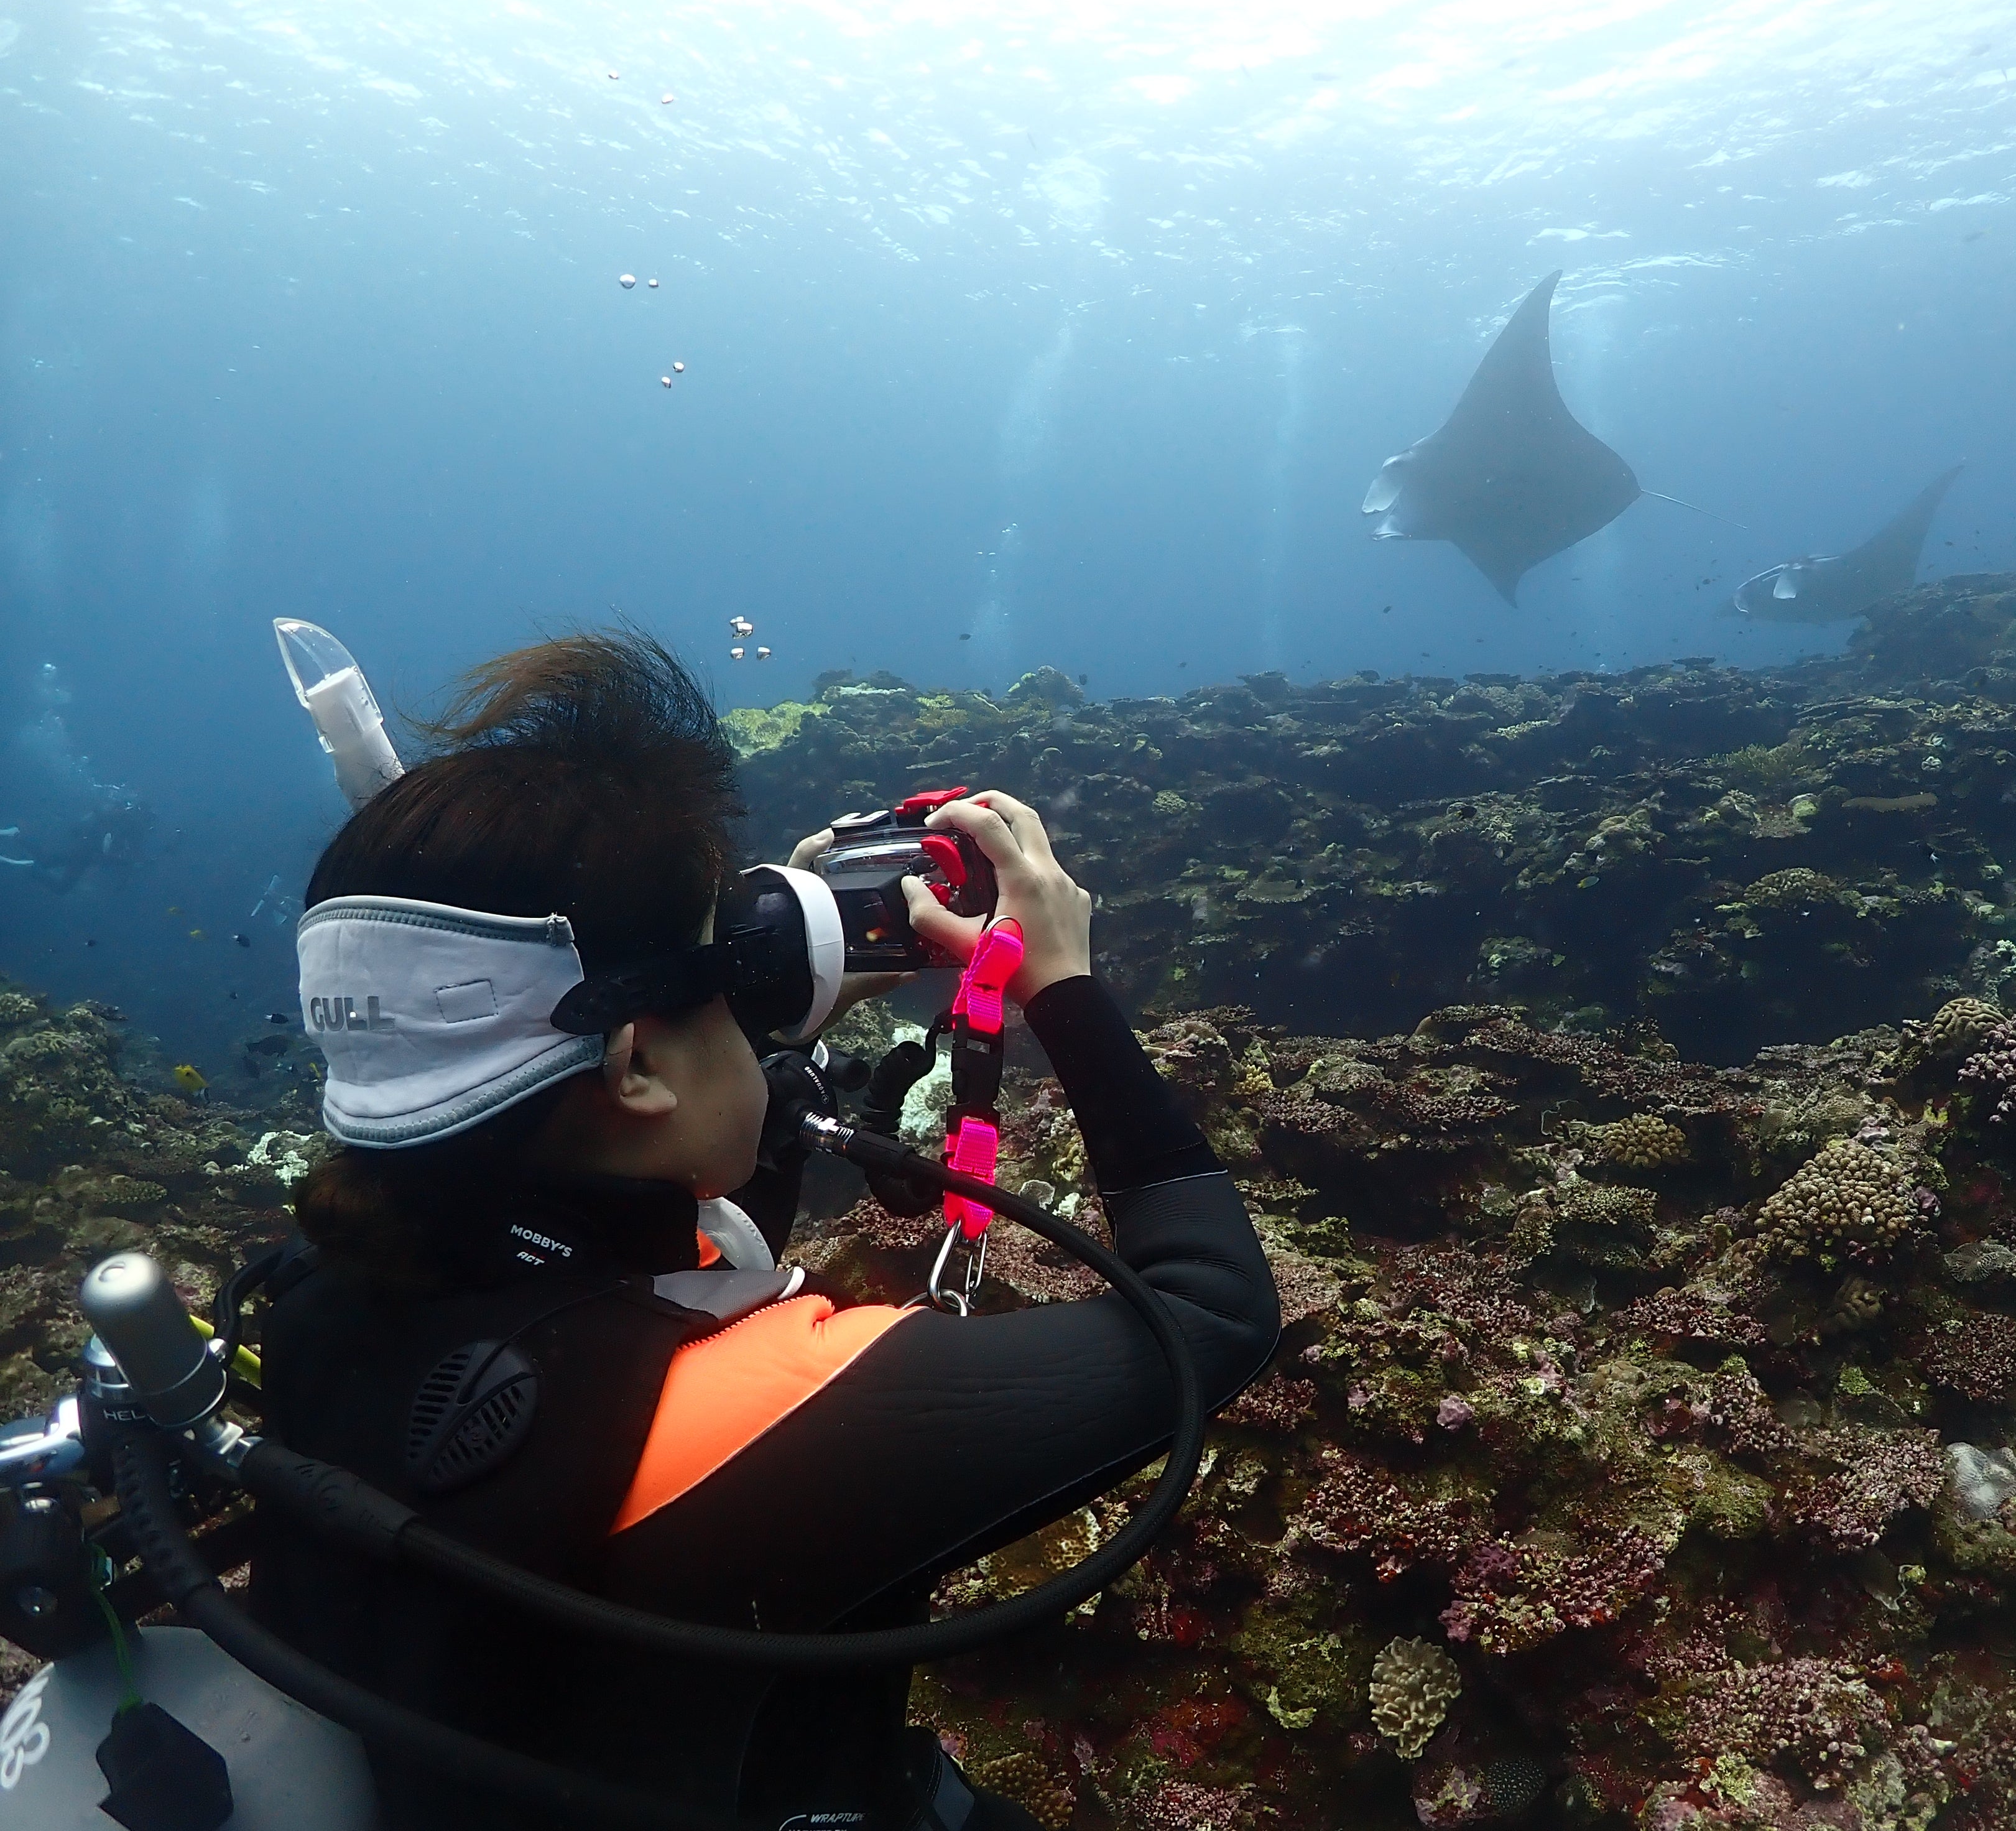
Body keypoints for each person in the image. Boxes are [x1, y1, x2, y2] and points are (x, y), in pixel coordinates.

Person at [248, 634, 1281, 1828]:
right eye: (728, 996)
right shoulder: (725, 1423)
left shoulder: (326, 1284)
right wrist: (1063, 986)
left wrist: (756, 1046)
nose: (753, 1020)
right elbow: (1213, 1317)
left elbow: (656, 1262)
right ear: (636, 1068)